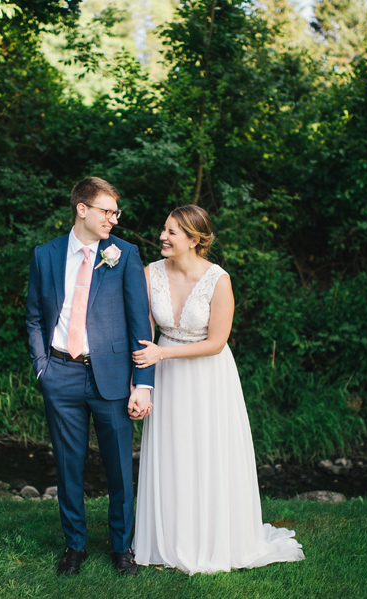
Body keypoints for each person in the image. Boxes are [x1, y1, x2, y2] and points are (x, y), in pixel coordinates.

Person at [130, 205, 305, 575]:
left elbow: (216, 342)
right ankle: (171, 539)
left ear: (194, 240)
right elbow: (143, 333)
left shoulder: (218, 280)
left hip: (207, 377)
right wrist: (140, 382)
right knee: (172, 452)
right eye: (164, 229)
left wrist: (164, 352)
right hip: (166, 376)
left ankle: (213, 539)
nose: (163, 236)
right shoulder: (150, 273)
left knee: (207, 452)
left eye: (172, 232)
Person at [26, 177, 153, 577]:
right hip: (59, 373)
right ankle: (74, 545)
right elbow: (33, 317)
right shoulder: (45, 255)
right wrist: (41, 367)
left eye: (116, 212)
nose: (113, 219)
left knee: (119, 467)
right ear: (82, 209)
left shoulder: (124, 254)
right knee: (69, 465)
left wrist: (143, 381)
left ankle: (122, 548)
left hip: (112, 376)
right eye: (107, 211)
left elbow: (139, 323)